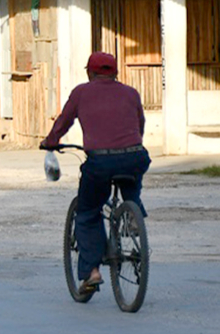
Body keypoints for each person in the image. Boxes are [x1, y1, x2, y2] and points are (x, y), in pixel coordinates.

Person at [40, 51, 150, 296]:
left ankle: (92, 272)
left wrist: (50, 141)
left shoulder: (81, 92)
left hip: (100, 161)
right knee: (132, 176)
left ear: (90, 72)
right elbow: (139, 125)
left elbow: (63, 122)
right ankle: (133, 211)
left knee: (88, 212)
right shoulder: (131, 93)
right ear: (116, 73)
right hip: (135, 155)